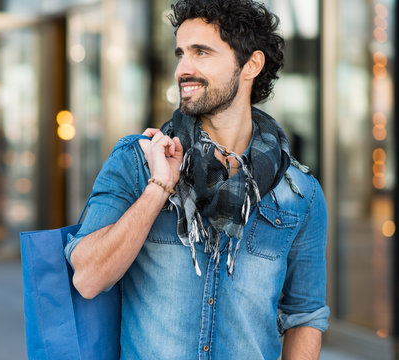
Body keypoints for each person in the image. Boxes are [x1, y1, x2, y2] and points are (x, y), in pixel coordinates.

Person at [65, 0, 329, 358]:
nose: (182, 69)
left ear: (251, 64)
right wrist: (159, 188)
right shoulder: (138, 162)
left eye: (201, 52)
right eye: (180, 54)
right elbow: (87, 278)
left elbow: (304, 315)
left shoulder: (300, 193)